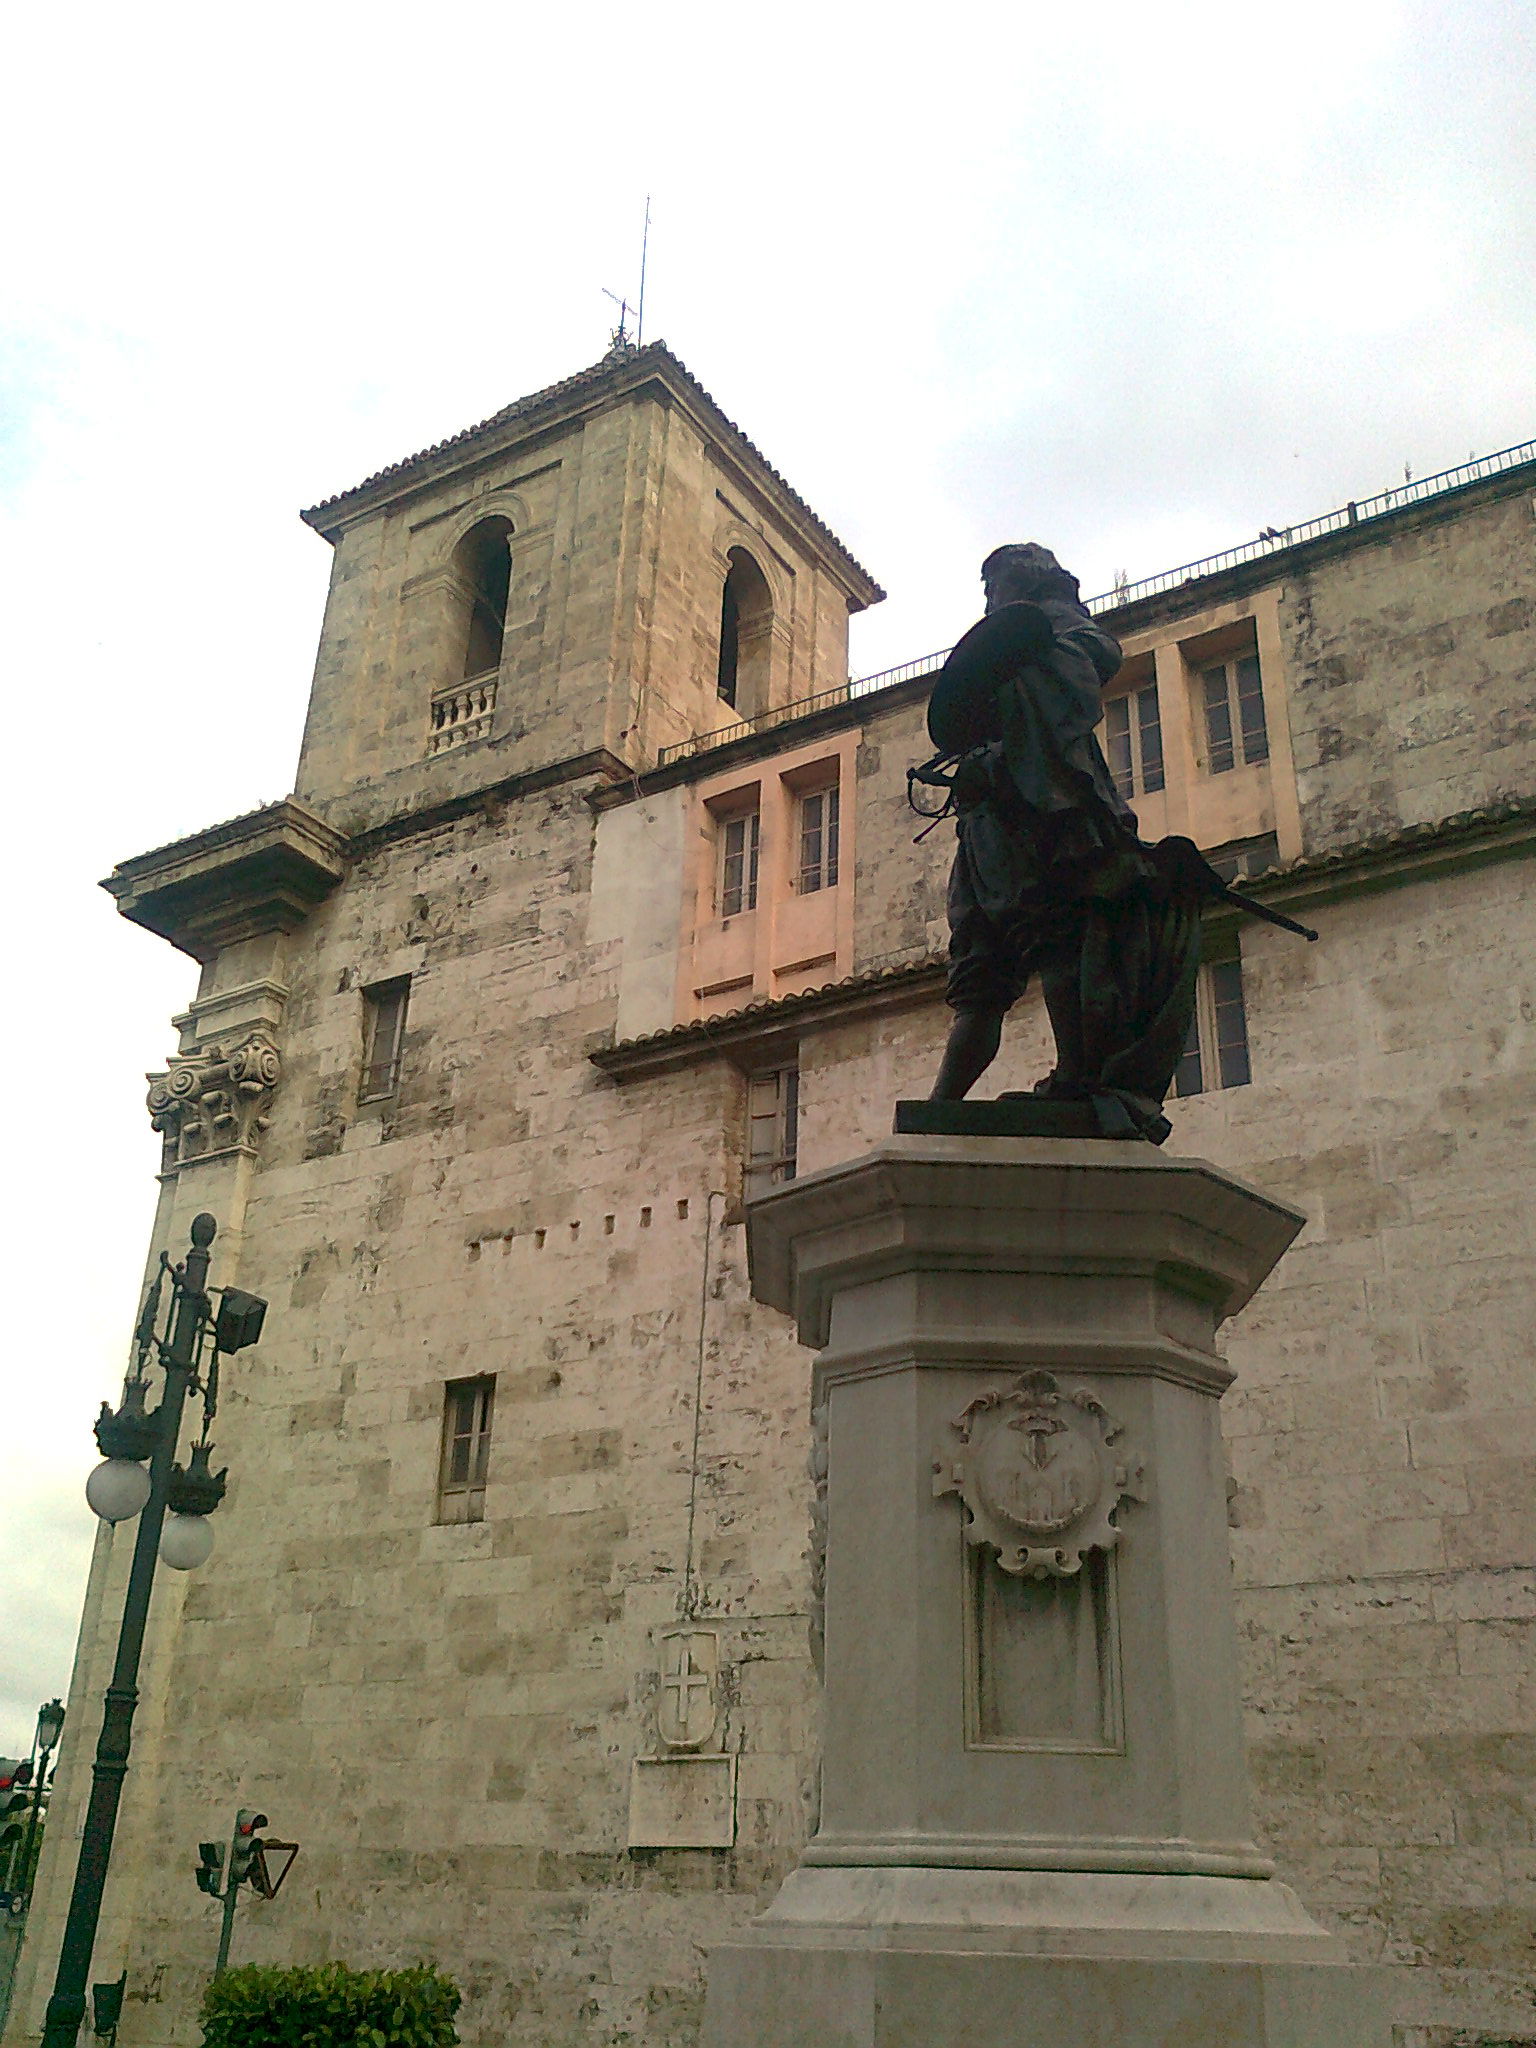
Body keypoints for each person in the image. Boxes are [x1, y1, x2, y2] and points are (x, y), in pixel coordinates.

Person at [923, 543, 1202, 1141]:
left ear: (1023, 584)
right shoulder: (1016, 644)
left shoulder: (1063, 631)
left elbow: (1081, 678)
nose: (989, 601)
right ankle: (940, 1105)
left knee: (1055, 935)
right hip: (988, 824)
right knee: (981, 964)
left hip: (1044, 811)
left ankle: (1077, 1077)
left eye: (995, 588)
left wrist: (999, 752)